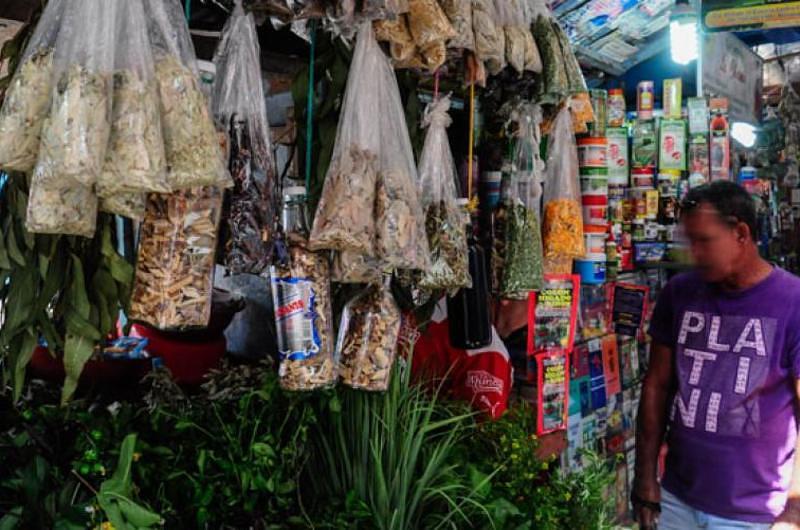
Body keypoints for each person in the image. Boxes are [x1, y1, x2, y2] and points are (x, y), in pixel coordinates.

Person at [633, 181, 800, 530]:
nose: (695, 253)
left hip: (756, 513)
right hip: (678, 496)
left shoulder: (792, 302)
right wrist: (645, 477)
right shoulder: (680, 293)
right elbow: (657, 387)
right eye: (690, 241)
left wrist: (793, 508)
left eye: (705, 241)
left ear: (741, 233)